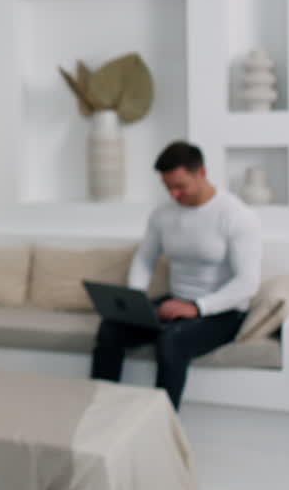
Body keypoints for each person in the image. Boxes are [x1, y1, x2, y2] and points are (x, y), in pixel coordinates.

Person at [90, 141, 261, 410]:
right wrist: (137, 298)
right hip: (177, 303)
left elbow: (247, 283)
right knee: (110, 328)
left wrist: (196, 307)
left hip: (222, 313)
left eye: (181, 186)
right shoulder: (163, 215)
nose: (175, 194)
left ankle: (162, 426)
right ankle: (99, 409)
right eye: (168, 187)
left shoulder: (237, 216)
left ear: (201, 174)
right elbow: (145, 259)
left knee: (171, 340)